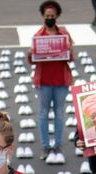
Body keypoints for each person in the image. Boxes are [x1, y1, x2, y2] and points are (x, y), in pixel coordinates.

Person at [27, 1, 73, 158]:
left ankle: (58, 144)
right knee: (43, 113)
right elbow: (32, 61)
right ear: (43, 17)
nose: (50, 18)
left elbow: (71, 58)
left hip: (61, 81)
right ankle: (46, 146)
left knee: (59, 113)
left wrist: (69, 50)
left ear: (57, 16)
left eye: (52, 16)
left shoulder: (64, 35)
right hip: (44, 82)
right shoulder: (38, 36)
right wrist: (30, 53)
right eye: (47, 16)